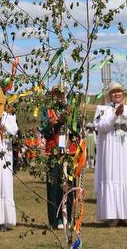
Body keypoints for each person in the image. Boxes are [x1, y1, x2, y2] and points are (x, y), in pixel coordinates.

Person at [93, 82, 127, 226]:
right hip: (110, 149)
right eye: (113, 92)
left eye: (119, 92)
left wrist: (123, 115)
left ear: (123, 94)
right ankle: (113, 214)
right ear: (109, 95)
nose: (117, 94)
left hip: (126, 150)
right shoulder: (102, 109)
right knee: (112, 176)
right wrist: (114, 116)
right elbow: (99, 127)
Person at [41, 89, 75, 228]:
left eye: (62, 94)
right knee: (53, 187)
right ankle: (55, 220)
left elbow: (77, 129)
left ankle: (69, 217)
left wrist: (69, 120)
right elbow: (43, 129)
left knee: (69, 185)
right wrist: (55, 123)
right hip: (53, 153)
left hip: (69, 152)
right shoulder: (47, 111)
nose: (59, 97)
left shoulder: (71, 109)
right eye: (56, 94)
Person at [0, 104, 19, 231]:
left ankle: (4, 221)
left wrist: (3, 124)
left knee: (5, 185)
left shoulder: (9, 115)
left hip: (5, 155)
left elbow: (14, 130)